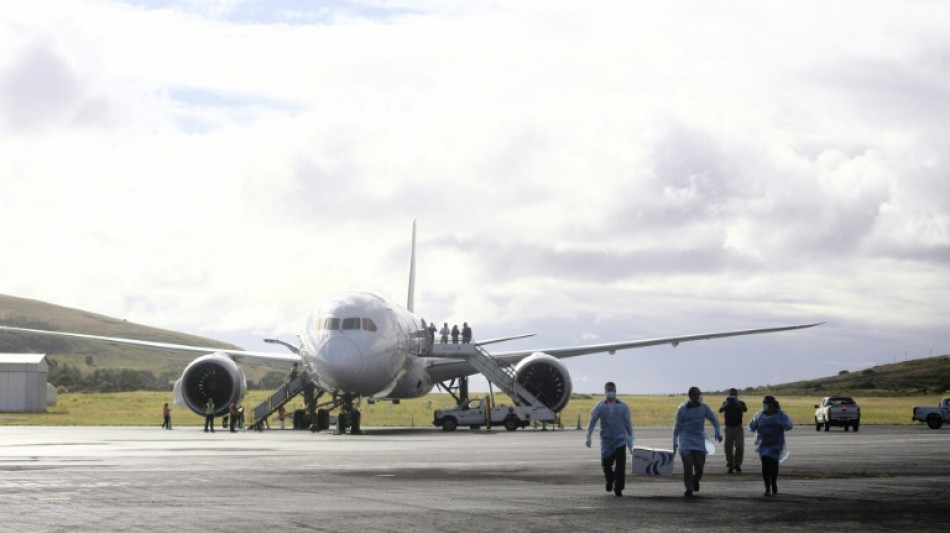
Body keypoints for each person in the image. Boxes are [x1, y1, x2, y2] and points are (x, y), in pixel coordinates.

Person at [585, 382, 634, 497]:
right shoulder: (600, 406)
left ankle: (618, 488)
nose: (610, 392)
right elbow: (592, 421)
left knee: (620, 466)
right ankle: (610, 478)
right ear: (605, 391)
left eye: (611, 389)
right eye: (608, 389)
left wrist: (630, 440)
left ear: (615, 391)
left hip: (620, 440)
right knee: (606, 464)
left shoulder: (623, 406)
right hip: (607, 441)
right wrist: (588, 436)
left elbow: (628, 423)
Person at [673, 386, 723, 497]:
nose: (700, 396)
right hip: (685, 441)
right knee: (688, 466)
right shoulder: (682, 409)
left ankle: (696, 480)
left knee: (699, 466)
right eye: (697, 394)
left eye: (700, 394)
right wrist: (674, 440)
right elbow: (677, 426)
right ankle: (689, 487)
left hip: (699, 440)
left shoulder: (704, 408)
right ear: (691, 396)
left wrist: (717, 432)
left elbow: (714, 419)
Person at [748, 395, 794, 496]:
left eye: (766, 403)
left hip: (775, 444)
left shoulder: (780, 415)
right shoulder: (759, 415)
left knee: (773, 465)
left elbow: (789, 425)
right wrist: (755, 423)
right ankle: (767, 487)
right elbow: (751, 427)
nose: (764, 405)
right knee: (765, 464)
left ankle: (773, 483)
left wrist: (781, 423)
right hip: (763, 444)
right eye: (763, 403)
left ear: (772, 404)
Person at [719, 388, 748, 473]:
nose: (732, 396)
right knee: (728, 448)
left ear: (736, 395)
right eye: (730, 394)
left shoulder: (740, 402)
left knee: (739, 446)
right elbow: (720, 410)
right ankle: (730, 465)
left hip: (738, 427)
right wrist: (726, 404)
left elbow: (745, 409)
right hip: (728, 428)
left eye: (733, 395)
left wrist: (738, 404)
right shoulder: (726, 403)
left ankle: (737, 464)